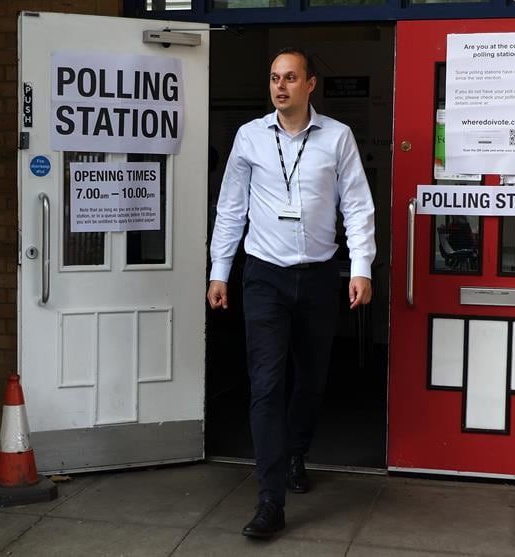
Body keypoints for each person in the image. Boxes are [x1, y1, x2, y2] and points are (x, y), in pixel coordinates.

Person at [207, 47, 376, 539]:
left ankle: (296, 450)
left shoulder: (338, 137)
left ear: (310, 84)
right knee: (266, 384)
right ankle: (269, 500)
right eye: (274, 78)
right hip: (264, 276)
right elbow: (231, 207)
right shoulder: (249, 137)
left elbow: (357, 206)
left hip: (319, 275)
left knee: (311, 379)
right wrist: (220, 270)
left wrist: (360, 267)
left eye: (290, 78)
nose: (280, 86)